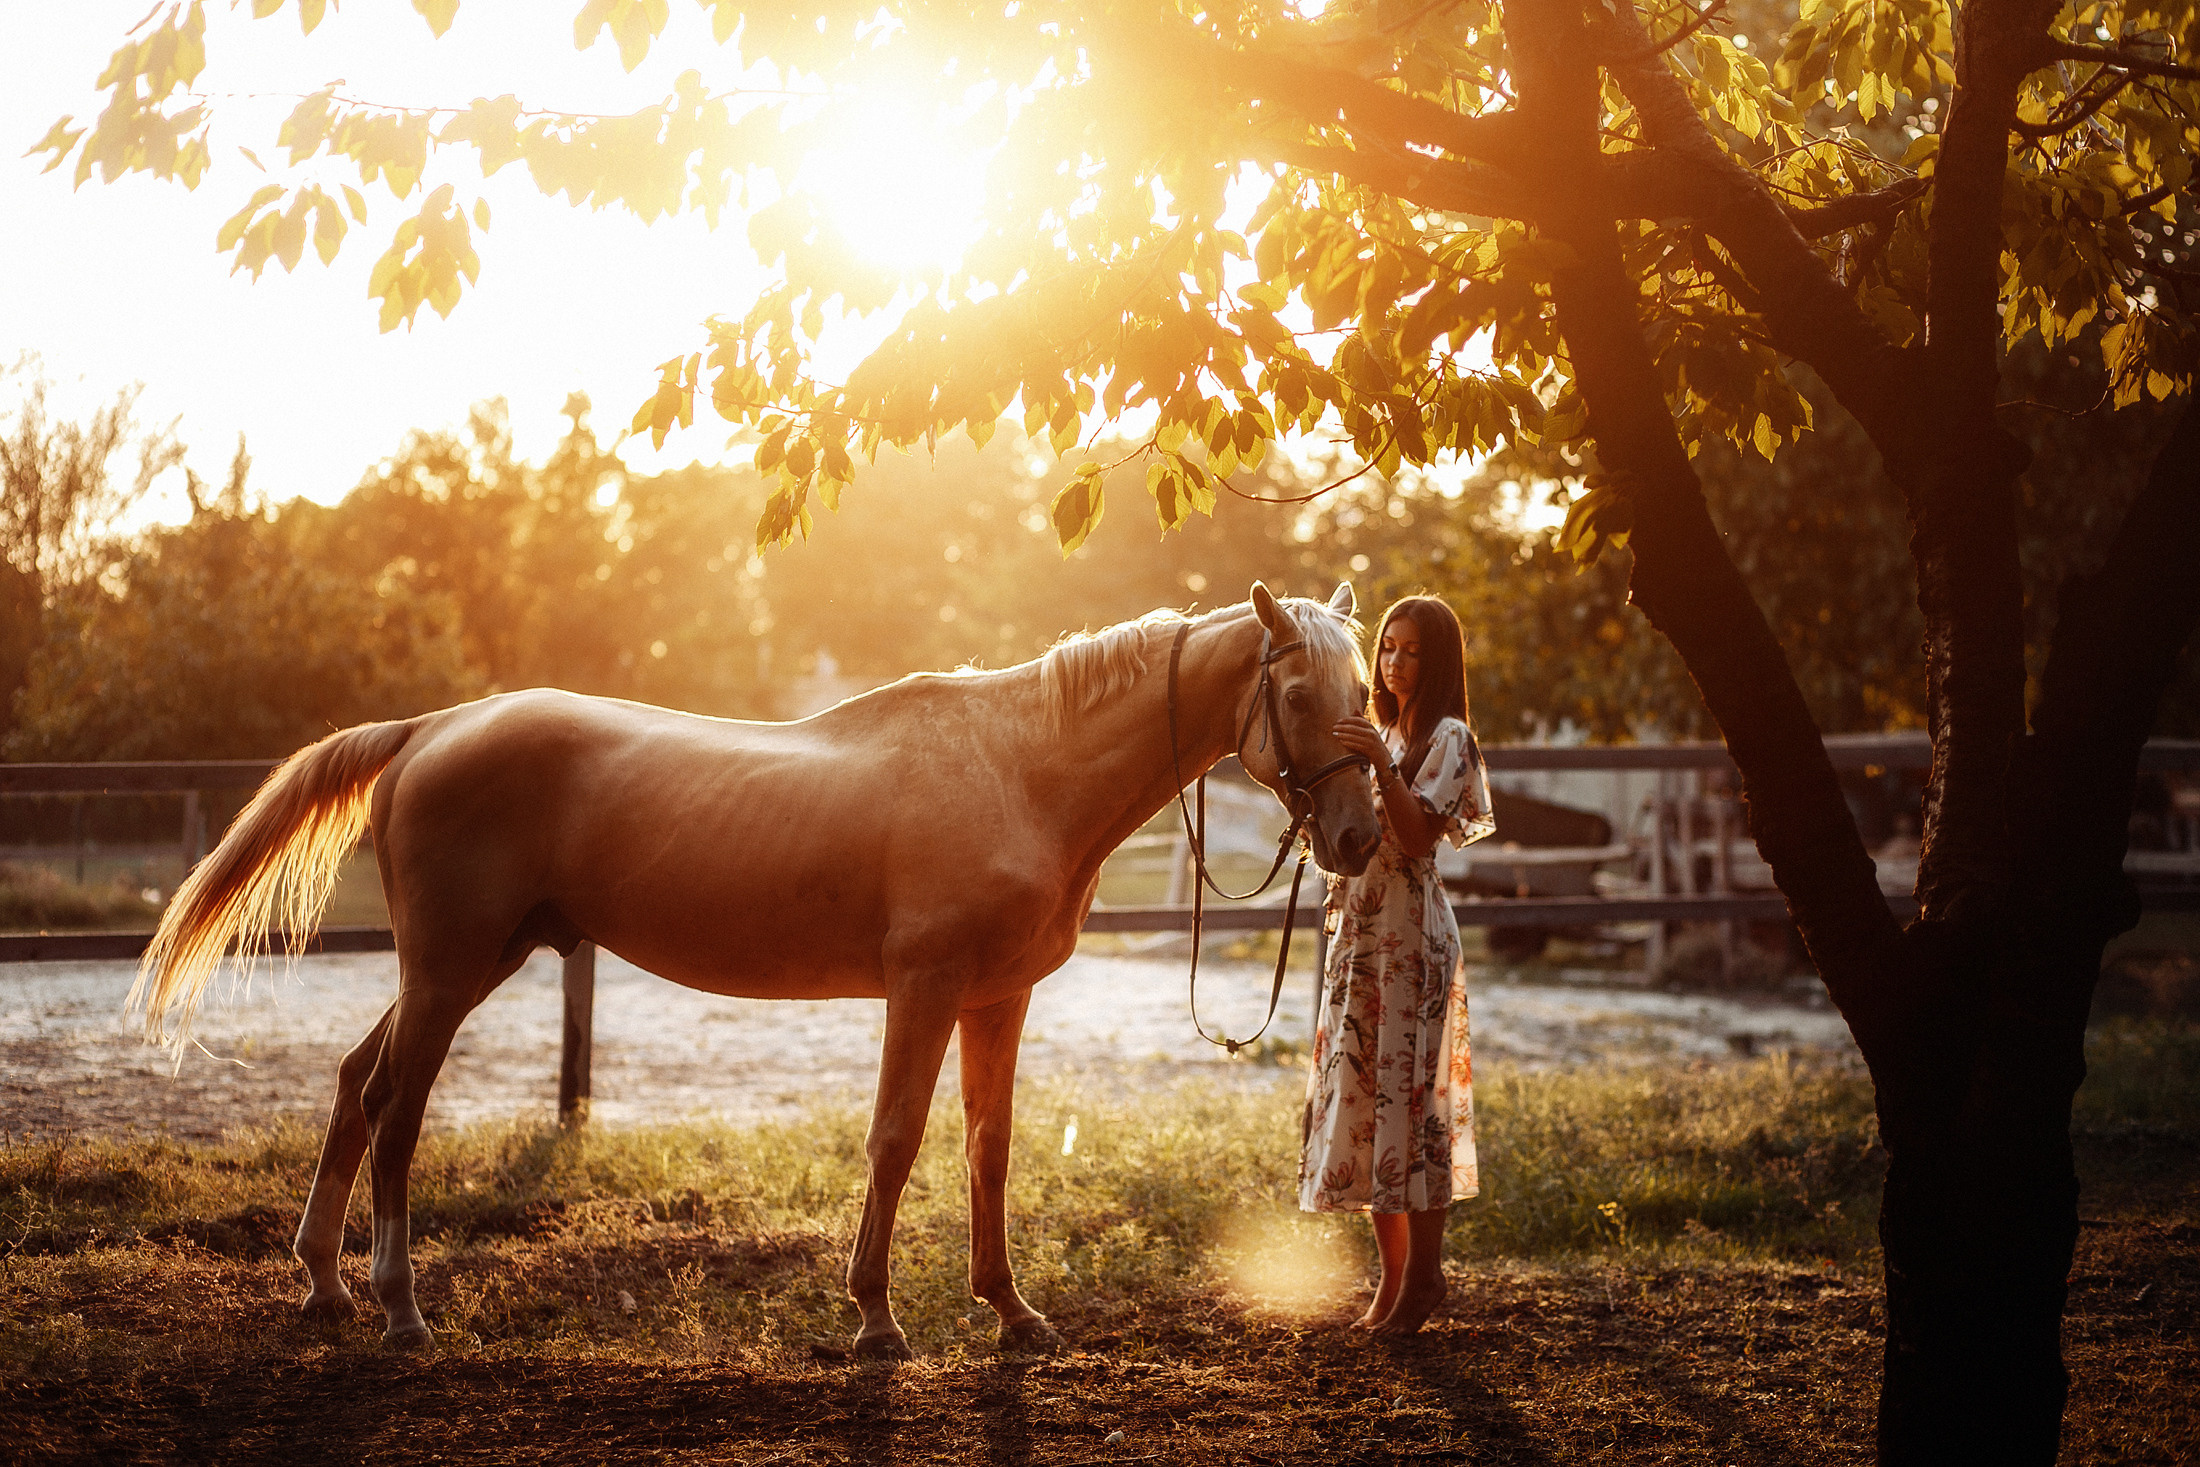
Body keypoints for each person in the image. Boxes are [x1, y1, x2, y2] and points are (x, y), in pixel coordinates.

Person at [1299, 594, 1495, 1334]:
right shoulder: (1375, 730)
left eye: (1411, 650)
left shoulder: (1449, 739)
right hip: (1361, 936)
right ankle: (1390, 1283)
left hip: (1413, 942)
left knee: (1416, 1109)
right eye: (1387, 647)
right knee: (1364, 1103)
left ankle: (1425, 1275)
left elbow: (1415, 840)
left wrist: (1381, 764)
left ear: (1437, 659)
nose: (1394, 662)